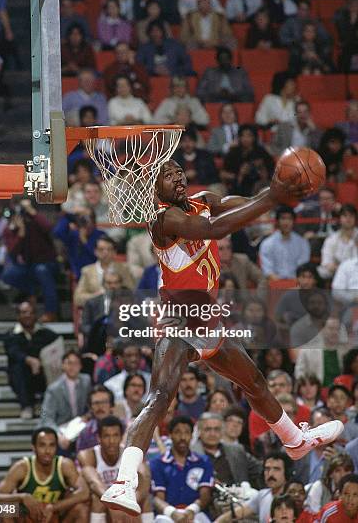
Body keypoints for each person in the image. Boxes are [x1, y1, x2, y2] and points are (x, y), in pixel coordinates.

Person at [101, 158, 343, 515]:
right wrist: (274, 195)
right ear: (155, 189)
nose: (176, 177)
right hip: (177, 322)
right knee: (160, 395)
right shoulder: (163, 220)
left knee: (255, 382)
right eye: (166, 176)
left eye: (178, 170)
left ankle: (295, 440)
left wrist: (278, 193)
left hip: (208, 320)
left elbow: (242, 205)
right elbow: (215, 229)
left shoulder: (203, 199)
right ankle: (124, 481)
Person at [0, 427, 88, 522]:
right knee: (5, 510)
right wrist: (22, 497)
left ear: (56, 447)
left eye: (52, 445)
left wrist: (53, 507)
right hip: (27, 517)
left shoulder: (64, 465)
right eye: (42, 445)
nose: (47, 451)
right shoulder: (22, 467)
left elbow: (84, 493)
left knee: (81, 509)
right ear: (34, 448)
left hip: (54, 516)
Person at [79, 415, 153, 522]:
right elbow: (93, 483)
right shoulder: (89, 455)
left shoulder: (130, 454)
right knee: (97, 499)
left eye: (115, 435)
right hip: (104, 503)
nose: (112, 441)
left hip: (125, 502)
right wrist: (114, 503)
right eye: (106, 436)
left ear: (121, 437)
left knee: (145, 500)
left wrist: (128, 504)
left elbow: (145, 478)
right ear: (99, 438)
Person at [1, 200, 59, 322]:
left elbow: (49, 228)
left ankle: (51, 312)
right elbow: (12, 253)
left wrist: (32, 212)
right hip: (29, 265)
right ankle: (31, 292)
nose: (16, 218)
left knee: (41, 270)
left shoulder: (35, 221)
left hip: (48, 263)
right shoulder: (10, 230)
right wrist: (20, 234)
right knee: (8, 274)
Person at [150, 415, 213, 522]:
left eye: (187, 432)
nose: (183, 437)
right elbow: (157, 498)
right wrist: (172, 513)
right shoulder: (158, 463)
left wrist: (192, 510)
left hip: (196, 514)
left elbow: (205, 495)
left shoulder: (203, 461)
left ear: (192, 435)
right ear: (170, 435)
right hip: (167, 515)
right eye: (178, 432)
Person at [4, 301, 58, 419]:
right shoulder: (11, 335)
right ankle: (26, 406)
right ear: (18, 316)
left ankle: (47, 408)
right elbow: (13, 352)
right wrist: (30, 360)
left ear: (35, 315)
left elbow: (58, 343)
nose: (27, 315)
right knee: (17, 367)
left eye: (30, 312)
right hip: (21, 377)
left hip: (42, 374)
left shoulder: (45, 333)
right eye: (24, 312)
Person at [215, 453, 292, 523]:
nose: (270, 474)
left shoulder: (293, 497)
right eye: (267, 469)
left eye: (276, 469)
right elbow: (234, 514)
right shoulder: (262, 495)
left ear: (286, 472)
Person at [40, 350, 92, 451]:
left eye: (76, 363)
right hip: (61, 428)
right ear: (63, 365)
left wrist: (87, 416)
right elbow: (46, 417)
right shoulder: (53, 389)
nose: (72, 367)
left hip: (80, 425)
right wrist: (58, 435)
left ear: (80, 366)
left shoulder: (86, 381)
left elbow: (91, 405)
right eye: (69, 363)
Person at [194, 411, 262, 487]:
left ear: (222, 431)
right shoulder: (191, 453)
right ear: (199, 431)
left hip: (239, 495)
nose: (212, 434)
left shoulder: (236, 450)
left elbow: (261, 469)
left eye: (217, 429)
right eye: (208, 429)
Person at [73, 235, 135, 308]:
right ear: (95, 251)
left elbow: (132, 292)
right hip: (95, 312)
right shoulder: (87, 271)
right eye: (101, 249)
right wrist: (97, 296)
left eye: (109, 249)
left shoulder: (124, 269)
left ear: (115, 252)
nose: (105, 252)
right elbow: (78, 298)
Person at [221, 124, 275, 197]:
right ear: (239, 137)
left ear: (254, 137)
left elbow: (270, 172)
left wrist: (260, 167)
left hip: (258, 185)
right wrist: (240, 174)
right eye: (243, 136)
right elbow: (223, 174)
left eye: (249, 136)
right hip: (237, 185)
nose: (245, 139)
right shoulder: (233, 152)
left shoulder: (261, 152)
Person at [259, 205, 311, 280]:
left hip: (297, 283)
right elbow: (268, 271)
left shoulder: (302, 243)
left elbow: (303, 267)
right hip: (274, 284)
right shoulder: (267, 243)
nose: (286, 222)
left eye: (289, 219)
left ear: (294, 221)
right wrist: (281, 285)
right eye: (283, 218)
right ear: (277, 221)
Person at [53, 210, 104, 281]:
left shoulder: (100, 235)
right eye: (83, 219)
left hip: (96, 274)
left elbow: (98, 256)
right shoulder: (74, 235)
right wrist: (69, 216)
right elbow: (57, 233)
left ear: (94, 221)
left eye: (88, 218)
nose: (86, 222)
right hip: (78, 274)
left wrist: (85, 241)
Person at [318, 204, 358, 280]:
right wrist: (342, 269)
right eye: (345, 215)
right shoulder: (332, 239)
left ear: (355, 219)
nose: (348, 219)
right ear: (339, 218)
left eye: (351, 216)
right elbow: (326, 263)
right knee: (322, 271)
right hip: (337, 274)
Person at [76, 385, 114, 452]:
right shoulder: (84, 433)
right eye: (96, 403)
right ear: (90, 408)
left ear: (111, 406)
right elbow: (79, 458)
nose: (100, 406)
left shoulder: (124, 427)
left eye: (104, 402)